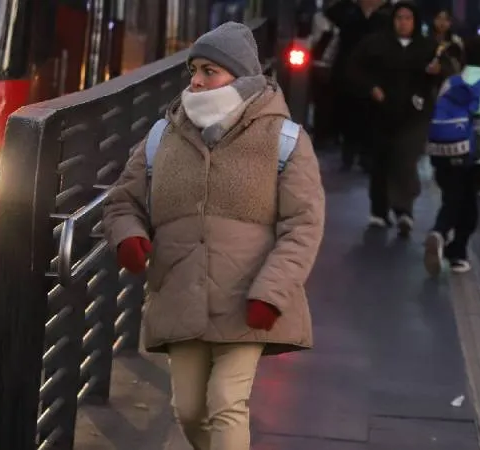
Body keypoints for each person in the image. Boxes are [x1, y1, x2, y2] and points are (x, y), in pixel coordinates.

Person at [102, 22, 326, 450]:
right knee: (188, 410)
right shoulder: (163, 135)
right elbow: (122, 201)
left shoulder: (285, 139)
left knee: (226, 401)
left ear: (240, 77)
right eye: (194, 71)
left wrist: (271, 292)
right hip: (180, 292)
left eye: (210, 71)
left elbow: (304, 225)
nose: (198, 81)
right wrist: (128, 236)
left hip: (248, 299)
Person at [349, 1, 440, 237]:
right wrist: (371, 88)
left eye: (408, 18)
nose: (403, 23)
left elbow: (442, 74)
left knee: (405, 160)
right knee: (380, 161)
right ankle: (379, 210)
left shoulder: (427, 47)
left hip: (414, 115)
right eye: (399, 18)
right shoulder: (376, 43)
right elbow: (355, 68)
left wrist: (435, 73)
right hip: (381, 113)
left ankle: (404, 210)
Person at [424, 36, 480, 274]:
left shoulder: (450, 84)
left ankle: (441, 234)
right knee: (468, 205)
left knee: (452, 198)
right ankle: (456, 252)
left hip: (445, 153)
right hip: (476, 159)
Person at [325, 0, 392, 171]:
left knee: (372, 115)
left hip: (375, 71)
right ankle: (348, 154)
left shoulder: (387, 15)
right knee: (348, 113)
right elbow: (331, 13)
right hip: (347, 70)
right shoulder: (350, 12)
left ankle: (366, 156)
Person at [430, 8, 465, 83]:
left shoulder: (456, 41)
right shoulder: (427, 41)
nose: (442, 22)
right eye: (439, 18)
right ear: (434, 20)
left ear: (450, 22)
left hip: (450, 80)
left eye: (446, 19)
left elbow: (460, 63)